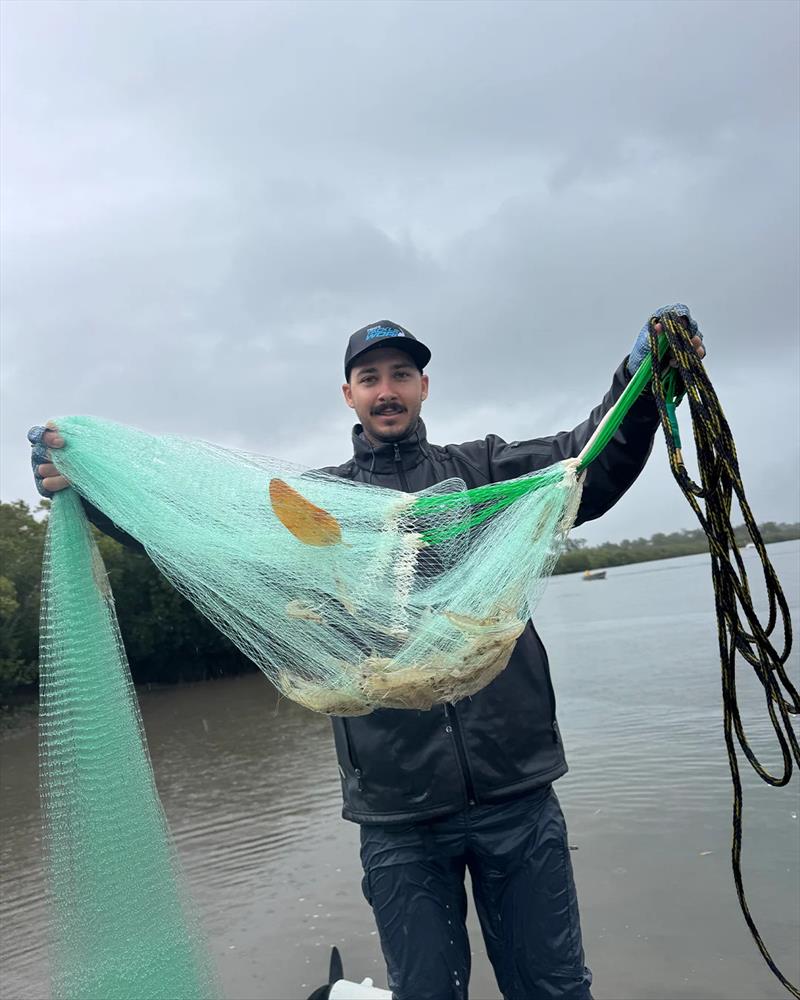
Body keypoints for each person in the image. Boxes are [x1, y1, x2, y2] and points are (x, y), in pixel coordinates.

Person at [30, 308, 706, 1000]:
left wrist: (643, 380)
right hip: (398, 816)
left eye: (401, 375)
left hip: (517, 795)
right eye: (370, 377)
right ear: (348, 394)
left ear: (423, 387)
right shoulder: (314, 507)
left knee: (554, 989)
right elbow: (203, 540)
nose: (387, 390)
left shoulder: (484, 472)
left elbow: (586, 460)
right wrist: (100, 491)